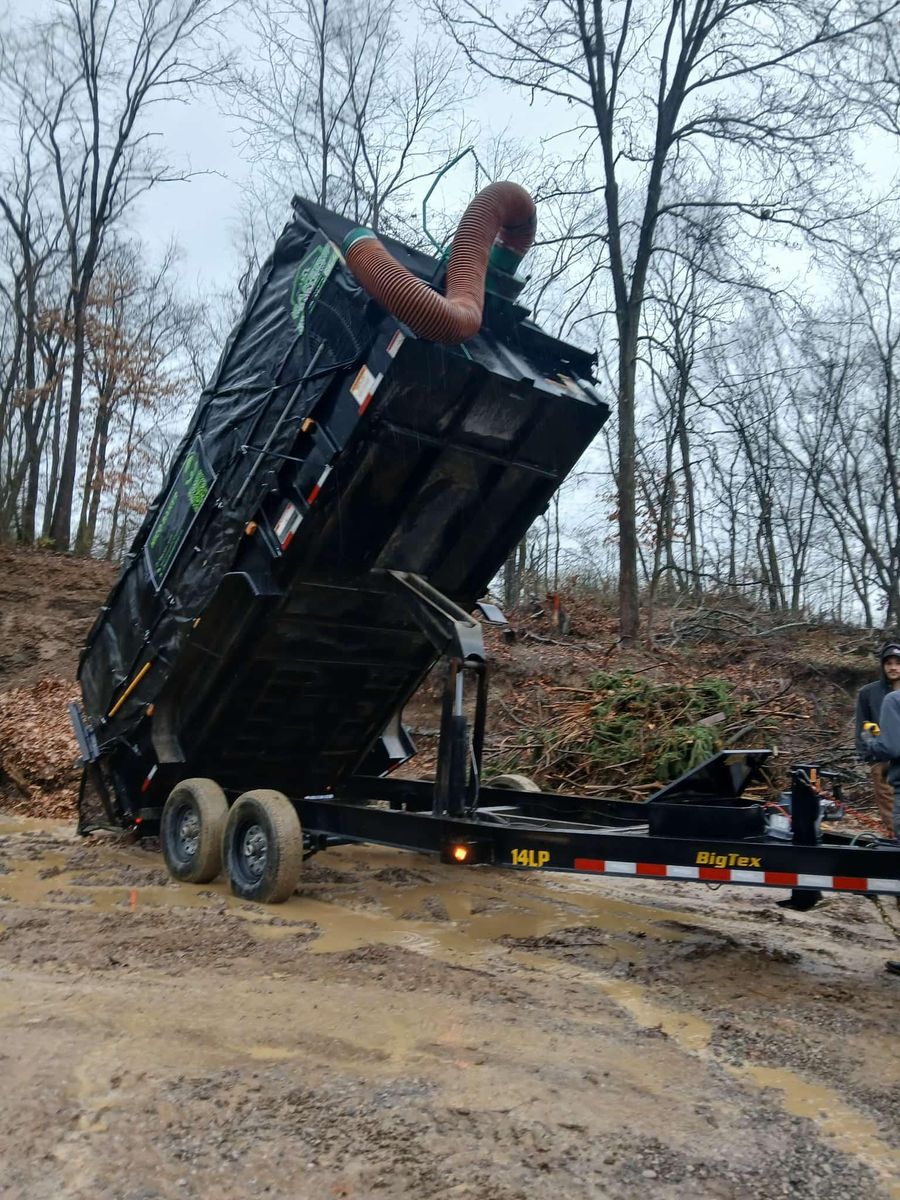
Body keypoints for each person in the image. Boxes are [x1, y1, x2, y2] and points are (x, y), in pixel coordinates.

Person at [855, 642, 900, 836]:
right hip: (882, 759)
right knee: (891, 814)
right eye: (888, 662)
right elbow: (861, 727)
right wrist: (871, 758)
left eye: (898, 662)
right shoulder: (869, 693)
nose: (893, 667)